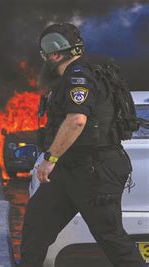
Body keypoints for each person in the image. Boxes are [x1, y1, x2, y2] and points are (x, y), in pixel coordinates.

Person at [19, 23, 145, 266]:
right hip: (69, 171)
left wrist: (50, 158)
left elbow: (76, 120)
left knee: (111, 238)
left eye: (46, 56)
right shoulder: (74, 76)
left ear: (55, 54)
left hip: (94, 172)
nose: (45, 61)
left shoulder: (80, 77)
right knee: (37, 226)